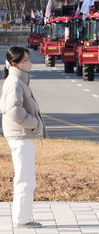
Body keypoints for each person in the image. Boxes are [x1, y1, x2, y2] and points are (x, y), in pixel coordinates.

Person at [1, 46, 48, 229]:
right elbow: (14, 111)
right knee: (25, 178)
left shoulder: (18, 81)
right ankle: (23, 218)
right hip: (20, 135)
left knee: (26, 177)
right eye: (25, 60)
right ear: (15, 64)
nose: (29, 63)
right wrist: (34, 123)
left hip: (21, 135)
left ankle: (22, 215)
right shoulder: (14, 82)